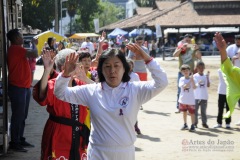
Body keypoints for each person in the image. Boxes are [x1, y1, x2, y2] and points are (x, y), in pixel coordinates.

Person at [54, 43, 168, 160]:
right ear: (101, 70)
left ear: (124, 68)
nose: (112, 71)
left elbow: (161, 82)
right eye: (107, 66)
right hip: (98, 153)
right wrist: (65, 74)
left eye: (116, 65)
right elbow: (60, 93)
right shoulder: (91, 91)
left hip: (125, 153)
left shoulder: (135, 90)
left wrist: (147, 59)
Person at [33, 49, 90, 160]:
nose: (79, 67)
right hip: (58, 133)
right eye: (75, 64)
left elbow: (100, 92)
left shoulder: (80, 83)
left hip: (79, 133)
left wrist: (86, 78)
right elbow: (41, 96)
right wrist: (47, 70)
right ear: (64, 67)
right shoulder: (54, 83)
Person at [7, 28, 38, 152]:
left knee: (22, 115)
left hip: (23, 87)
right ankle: (15, 141)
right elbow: (35, 54)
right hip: (18, 87)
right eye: (20, 36)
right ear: (15, 38)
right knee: (18, 116)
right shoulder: (15, 49)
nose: (22, 38)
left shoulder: (17, 49)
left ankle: (19, 138)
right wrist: (34, 44)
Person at [214, 32, 240, 123]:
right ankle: (224, 122)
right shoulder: (230, 48)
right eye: (237, 40)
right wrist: (223, 51)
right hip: (234, 75)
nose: (238, 41)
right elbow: (226, 62)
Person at [173, 34, 202, 113]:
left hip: (191, 72)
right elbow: (174, 55)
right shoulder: (180, 47)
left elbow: (199, 57)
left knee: (192, 90)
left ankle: (190, 107)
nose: (188, 42)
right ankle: (178, 107)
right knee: (180, 90)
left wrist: (197, 49)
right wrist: (181, 48)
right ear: (184, 40)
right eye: (186, 41)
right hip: (181, 72)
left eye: (189, 41)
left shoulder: (193, 48)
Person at [178, 64, 196, 132]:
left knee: (192, 113)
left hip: (191, 99)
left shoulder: (192, 79)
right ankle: (185, 124)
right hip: (183, 99)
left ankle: (193, 125)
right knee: (184, 112)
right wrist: (190, 80)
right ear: (182, 72)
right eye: (184, 71)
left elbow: (194, 87)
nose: (185, 72)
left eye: (187, 70)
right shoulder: (181, 79)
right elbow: (184, 86)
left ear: (189, 71)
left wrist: (192, 80)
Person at [193, 61, 210, 128]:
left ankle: (204, 123)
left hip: (204, 96)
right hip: (196, 96)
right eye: (199, 68)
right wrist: (198, 83)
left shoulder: (205, 76)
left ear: (204, 68)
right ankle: (195, 122)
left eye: (202, 68)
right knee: (195, 111)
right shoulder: (195, 76)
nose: (201, 69)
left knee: (203, 111)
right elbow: (194, 86)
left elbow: (208, 85)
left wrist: (208, 77)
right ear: (197, 68)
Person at [127, 58, 141, 135]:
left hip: (133, 97)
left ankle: (135, 126)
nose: (129, 67)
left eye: (130, 65)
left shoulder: (135, 75)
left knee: (133, 113)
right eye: (128, 65)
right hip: (124, 96)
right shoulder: (122, 74)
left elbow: (138, 85)